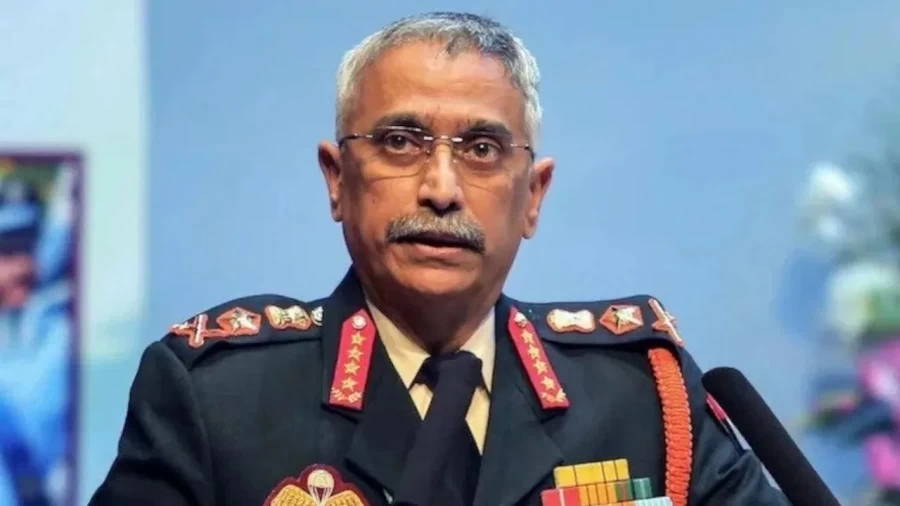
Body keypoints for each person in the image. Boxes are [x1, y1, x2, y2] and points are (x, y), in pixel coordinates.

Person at [90, 11, 792, 506]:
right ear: (337, 180)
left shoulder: (640, 394)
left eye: (482, 149)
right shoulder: (219, 398)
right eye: (401, 142)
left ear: (534, 196)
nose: (442, 189)